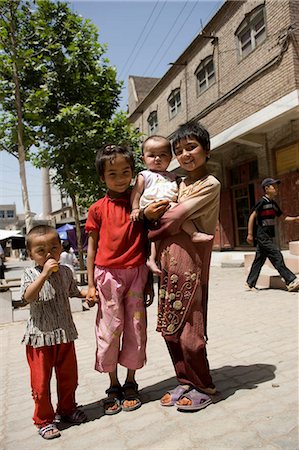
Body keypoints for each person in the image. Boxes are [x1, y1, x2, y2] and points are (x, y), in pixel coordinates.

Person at [143, 121, 221, 412]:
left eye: (192, 147)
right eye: (179, 150)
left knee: (191, 324)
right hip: (166, 260)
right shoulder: (177, 182)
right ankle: (185, 379)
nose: (186, 154)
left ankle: (204, 385)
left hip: (192, 260)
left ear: (207, 150)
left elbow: (169, 219)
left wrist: (142, 222)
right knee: (169, 326)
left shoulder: (209, 184)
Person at [85, 144, 149, 415]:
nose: (121, 178)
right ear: (102, 177)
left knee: (136, 329)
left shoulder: (142, 206)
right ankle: (113, 385)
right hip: (107, 276)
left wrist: (148, 281)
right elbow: (90, 247)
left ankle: (131, 381)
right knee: (110, 330)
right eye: (113, 174)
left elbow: (148, 241)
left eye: (126, 172)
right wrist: (89, 284)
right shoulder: (97, 209)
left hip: (136, 273)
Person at [20, 225, 87, 440]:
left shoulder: (66, 271)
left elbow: (73, 292)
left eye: (54, 248)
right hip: (40, 338)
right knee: (40, 383)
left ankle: (66, 409)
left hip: (65, 334)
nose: (49, 254)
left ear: (61, 248)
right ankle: (44, 419)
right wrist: (45, 274)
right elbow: (28, 297)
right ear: (30, 254)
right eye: (41, 251)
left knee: (69, 377)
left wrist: (89, 295)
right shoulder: (30, 273)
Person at [130, 135, 213, 275]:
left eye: (163, 155)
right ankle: (151, 258)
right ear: (143, 159)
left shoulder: (174, 177)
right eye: (152, 155)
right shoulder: (144, 175)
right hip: (152, 206)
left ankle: (193, 234)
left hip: (170, 207)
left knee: (180, 219)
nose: (157, 159)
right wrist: (135, 209)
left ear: (170, 157)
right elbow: (136, 193)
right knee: (154, 237)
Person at [246, 178, 299, 292]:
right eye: (273, 186)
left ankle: (250, 283)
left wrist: (295, 219)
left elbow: (283, 217)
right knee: (277, 256)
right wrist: (250, 234)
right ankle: (290, 280)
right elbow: (252, 216)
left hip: (269, 236)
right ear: (266, 188)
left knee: (259, 260)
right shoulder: (262, 202)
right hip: (262, 235)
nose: (276, 189)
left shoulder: (273, 204)